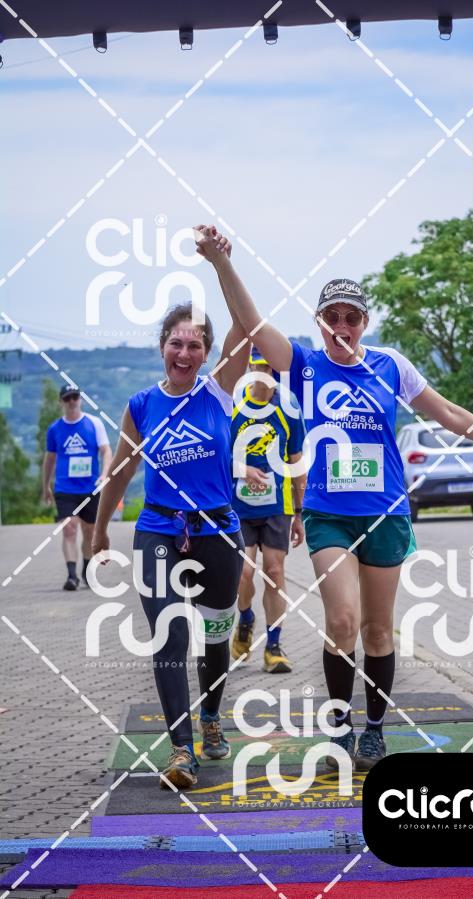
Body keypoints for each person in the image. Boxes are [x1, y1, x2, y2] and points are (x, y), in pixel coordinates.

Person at [194, 225, 473, 772]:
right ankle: (339, 730)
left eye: (351, 318)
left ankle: (375, 731)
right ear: (319, 322)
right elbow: (253, 322)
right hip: (329, 515)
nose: (341, 327)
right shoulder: (303, 365)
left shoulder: (390, 365)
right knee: (342, 622)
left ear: (365, 322)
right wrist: (221, 262)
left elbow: (450, 414)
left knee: (378, 630)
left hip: (385, 514)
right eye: (331, 317)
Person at [91, 288, 249, 790]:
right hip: (159, 530)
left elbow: (246, 325)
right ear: (162, 346)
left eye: (195, 345)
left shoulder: (219, 391)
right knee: (170, 635)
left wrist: (221, 264)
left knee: (215, 637)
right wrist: (100, 530)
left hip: (218, 532)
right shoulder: (141, 405)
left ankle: (211, 718)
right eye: (176, 343)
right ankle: (182, 748)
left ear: (207, 353)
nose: (184, 354)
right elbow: (120, 472)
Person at [230, 346, 307, 674]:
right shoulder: (233, 404)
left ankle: (274, 646)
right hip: (239, 505)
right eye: (258, 367)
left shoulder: (288, 406)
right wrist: (243, 469)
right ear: (249, 367)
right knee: (243, 573)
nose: (264, 375)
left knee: (274, 572)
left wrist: (300, 513)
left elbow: (296, 459)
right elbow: (218, 455)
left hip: (278, 504)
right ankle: (245, 618)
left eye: (269, 368)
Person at [43, 385, 112, 591]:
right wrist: (46, 485)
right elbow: (50, 459)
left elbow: (106, 451)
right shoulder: (55, 429)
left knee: (89, 531)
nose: (72, 401)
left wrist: (104, 473)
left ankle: (86, 571)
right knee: (69, 528)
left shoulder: (94, 423)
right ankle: (72, 576)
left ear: (80, 399)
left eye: (75, 397)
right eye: (67, 398)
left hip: (90, 487)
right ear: (61, 402)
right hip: (65, 488)